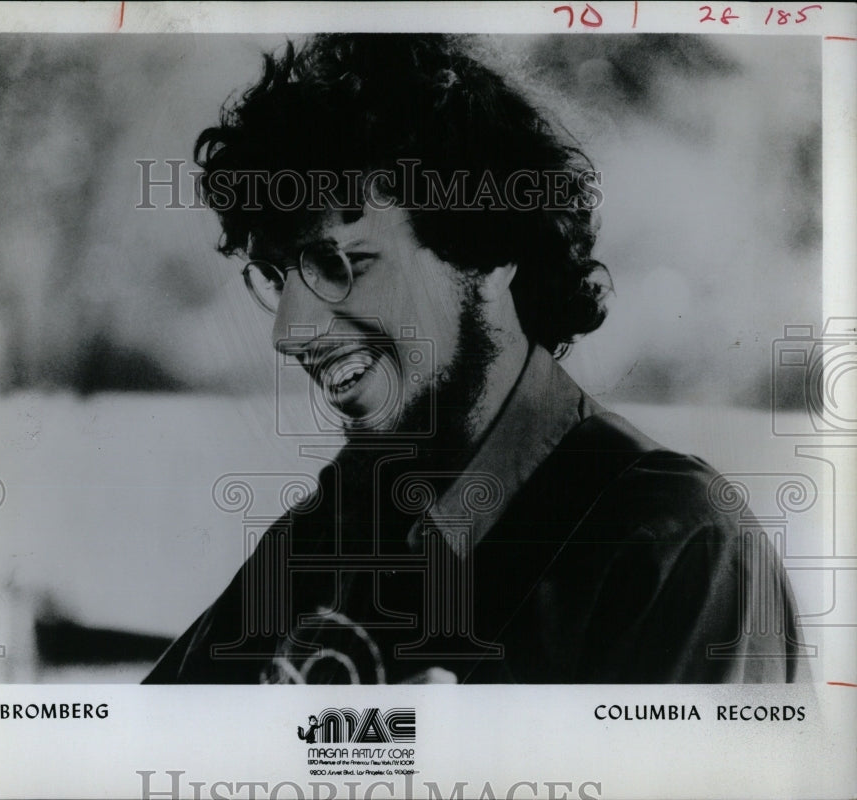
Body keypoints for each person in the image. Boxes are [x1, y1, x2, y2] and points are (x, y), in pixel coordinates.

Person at [145, 33, 806, 684]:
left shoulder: (680, 549)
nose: (289, 332)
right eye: (276, 275)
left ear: (488, 247)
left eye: (339, 263)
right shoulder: (342, 519)